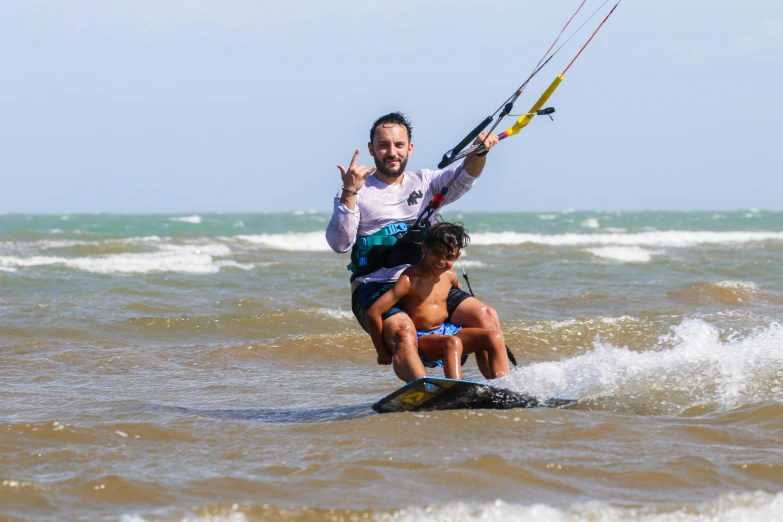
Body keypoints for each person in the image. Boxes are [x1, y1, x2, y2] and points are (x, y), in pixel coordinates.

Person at [325, 112, 507, 383]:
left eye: (399, 145)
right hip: (377, 285)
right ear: (371, 149)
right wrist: (349, 191)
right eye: (384, 145)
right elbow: (340, 244)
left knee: (486, 315)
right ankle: (428, 392)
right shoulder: (357, 191)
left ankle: (503, 389)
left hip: (425, 280)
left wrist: (480, 152)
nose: (391, 152)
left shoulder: (427, 182)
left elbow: (466, 175)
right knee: (402, 329)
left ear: (409, 148)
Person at [365, 223, 509, 380]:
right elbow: (373, 313)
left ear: (457, 255)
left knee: (494, 337)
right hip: (423, 339)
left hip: (447, 331)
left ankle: (502, 386)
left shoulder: (450, 276)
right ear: (424, 247)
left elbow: (458, 302)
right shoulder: (410, 279)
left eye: (449, 257)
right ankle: (455, 388)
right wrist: (382, 353)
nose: (441, 261)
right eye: (437, 253)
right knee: (453, 343)